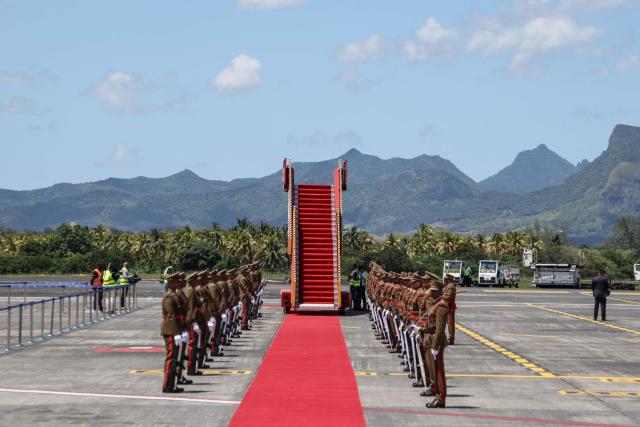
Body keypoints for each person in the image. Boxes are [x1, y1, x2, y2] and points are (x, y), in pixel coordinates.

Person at [160, 273, 184, 393]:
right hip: (170, 330)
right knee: (170, 358)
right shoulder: (169, 297)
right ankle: (167, 386)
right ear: (171, 283)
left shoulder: (175, 295)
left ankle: (172, 384)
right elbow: (171, 316)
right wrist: (176, 333)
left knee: (174, 358)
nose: (179, 283)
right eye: (176, 281)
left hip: (175, 330)